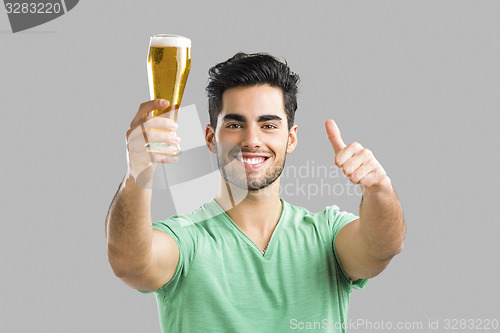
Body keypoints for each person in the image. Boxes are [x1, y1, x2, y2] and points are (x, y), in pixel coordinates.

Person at [106, 53, 406, 332]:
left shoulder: (326, 234)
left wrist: (380, 189)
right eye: (236, 124)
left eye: (268, 125)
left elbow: (382, 247)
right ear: (211, 138)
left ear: (290, 139)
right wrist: (137, 175)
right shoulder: (187, 238)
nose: (251, 140)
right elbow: (131, 264)